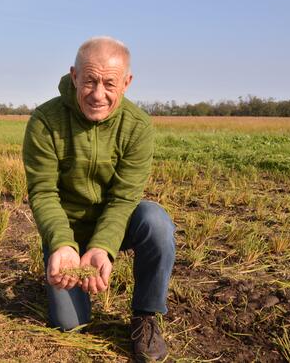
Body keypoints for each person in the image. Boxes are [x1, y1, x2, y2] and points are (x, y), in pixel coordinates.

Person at [22, 36, 175, 361]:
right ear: (74, 75)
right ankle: (57, 264)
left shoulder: (137, 127)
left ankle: (146, 316)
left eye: (109, 83)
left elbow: (123, 199)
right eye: (89, 81)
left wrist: (102, 247)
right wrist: (62, 242)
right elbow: (43, 192)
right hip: (68, 230)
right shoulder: (45, 121)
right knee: (70, 325)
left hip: (115, 225)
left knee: (155, 221)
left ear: (127, 82)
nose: (98, 94)